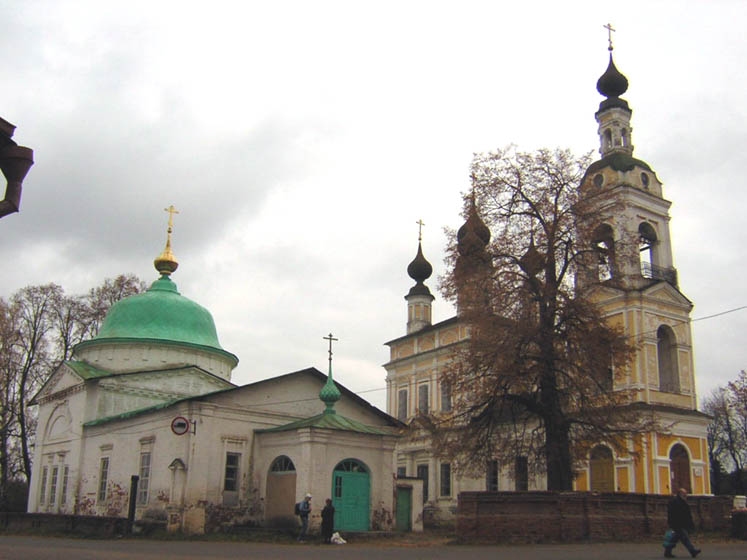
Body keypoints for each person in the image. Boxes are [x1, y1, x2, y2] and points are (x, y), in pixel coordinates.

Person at [664, 488, 701, 558]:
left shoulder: (680, 501)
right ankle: (692, 551)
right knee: (685, 538)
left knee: (674, 538)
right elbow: (677, 514)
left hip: (678, 524)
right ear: (680, 494)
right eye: (684, 493)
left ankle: (667, 552)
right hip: (678, 524)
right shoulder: (677, 502)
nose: (686, 495)